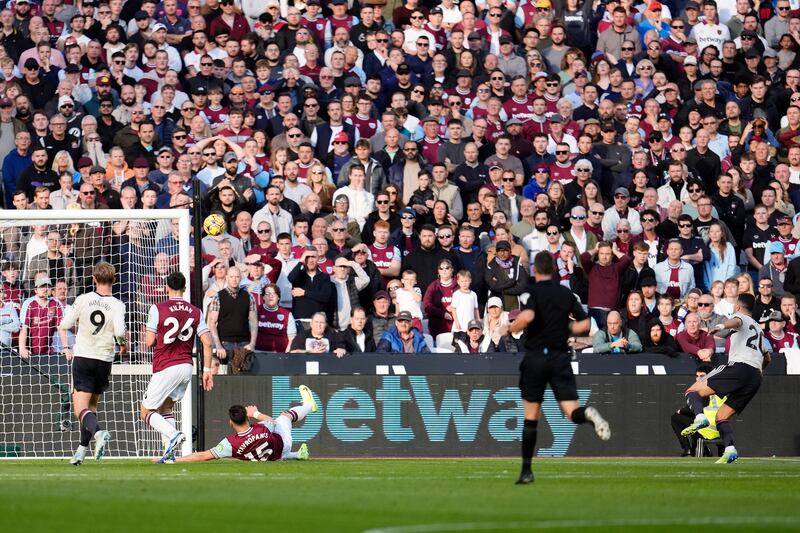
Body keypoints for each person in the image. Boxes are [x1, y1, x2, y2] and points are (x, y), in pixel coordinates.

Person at [507, 251, 611, 484]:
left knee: (531, 417)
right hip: (559, 357)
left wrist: (511, 328)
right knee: (571, 412)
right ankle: (587, 413)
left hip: (535, 357)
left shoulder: (530, 292)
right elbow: (585, 324)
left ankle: (526, 471)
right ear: (554, 270)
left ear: (535, 270)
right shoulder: (565, 293)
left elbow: (529, 315)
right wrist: (565, 330)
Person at [682, 294, 769, 464]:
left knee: (693, 390)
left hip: (739, 367)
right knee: (722, 416)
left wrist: (720, 325)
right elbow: (767, 358)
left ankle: (700, 417)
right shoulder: (759, 329)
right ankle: (730, 449)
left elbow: (735, 322)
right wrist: (756, 370)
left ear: (738, 306)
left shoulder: (740, 317)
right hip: (755, 377)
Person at [140, 271, 214, 462]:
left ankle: (173, 434)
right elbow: (207, 342)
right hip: (186, 366)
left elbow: (149, 342)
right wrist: (207, 371)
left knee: (146, 411)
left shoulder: (158, 308)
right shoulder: (195, 311)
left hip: (166, 364)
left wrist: (150, 331)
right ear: (185, 288)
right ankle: (169, 455)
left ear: (166, 288)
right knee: (166, 408)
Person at [58, 262, 127, 465]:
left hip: (84, 357)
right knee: (92, 407)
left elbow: (64, 325)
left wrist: (67, 346)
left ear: (94, 279)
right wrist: (123, 346)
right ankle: (81, 451)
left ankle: (98, 434)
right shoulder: (118, 304)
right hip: (104, 360)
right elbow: (120, 333)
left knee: (80, 408)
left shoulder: (83, 299)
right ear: (114, 280)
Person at [171, 387, 316, 462]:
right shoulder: (262, 427)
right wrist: (256, 414)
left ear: (230, 422)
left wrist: (174, 459)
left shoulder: (230, 443)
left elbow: (202, 456)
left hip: (271, 459)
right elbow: (272, 421)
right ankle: (309, 405)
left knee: (264, 451)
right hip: (282, 448)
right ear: (247, 418)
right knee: (284, 417)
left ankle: (297, 455)